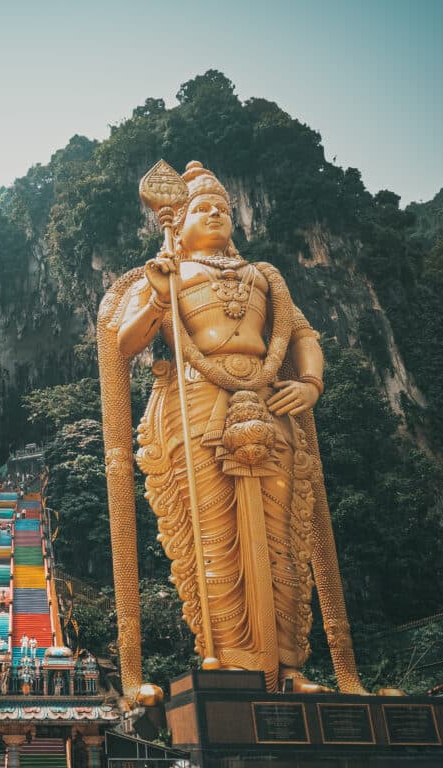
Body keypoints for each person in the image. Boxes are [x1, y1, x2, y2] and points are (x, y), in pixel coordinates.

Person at [100, 160, 364, 695]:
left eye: (223, 206)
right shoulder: (165, 273)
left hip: (270, 405)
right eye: (202, 207)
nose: (215, 213)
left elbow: (302, 334)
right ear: (178, 220)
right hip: (196, 404)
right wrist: (157, 293)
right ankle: (238, 663)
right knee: (214, 538)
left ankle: (290, 667)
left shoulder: (263, 275)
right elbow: (123, 344)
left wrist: (310, 383)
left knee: (283, 535)